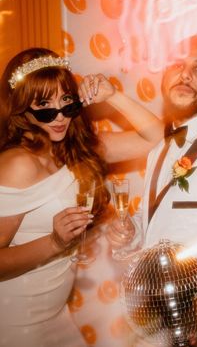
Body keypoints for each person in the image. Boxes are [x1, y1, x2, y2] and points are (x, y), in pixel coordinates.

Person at [0, 47, 164, 347]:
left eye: (67, 102)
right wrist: (54, 242)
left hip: (57, 315)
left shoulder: (79, 150)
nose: (60, 116)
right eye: (45, 107)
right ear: (23, 109)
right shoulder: (18, 165)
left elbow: (155, 137)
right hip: (15, 319)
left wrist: (113, 95)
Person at [102, 35, 197, 347]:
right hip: (154, 327)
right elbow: (156, 223)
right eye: (177, 65)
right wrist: (129, 232)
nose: (185, 74)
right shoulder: (159, 148)